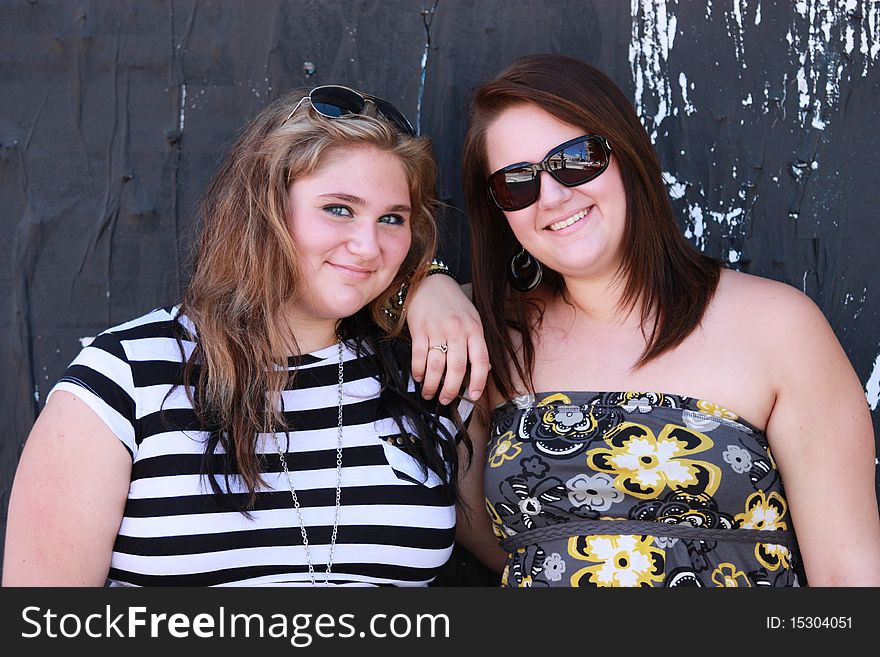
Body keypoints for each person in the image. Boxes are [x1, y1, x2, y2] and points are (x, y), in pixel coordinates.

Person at [2, 84, 487, 587]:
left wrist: (431, 280)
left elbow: (535, 542)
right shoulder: (126, 376)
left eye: (392, 218)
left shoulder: (427, 373)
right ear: (265, 210)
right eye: (339, 208)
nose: (368, 246)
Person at [448, 54, 880, 586]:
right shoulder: (484, 334)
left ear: (626, 156)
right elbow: (495, 542)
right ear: (500, 211)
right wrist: (429, 287)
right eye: (517, 183)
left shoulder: (777, 326)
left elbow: (848, 577)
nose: (554, 196)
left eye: (576, 159)